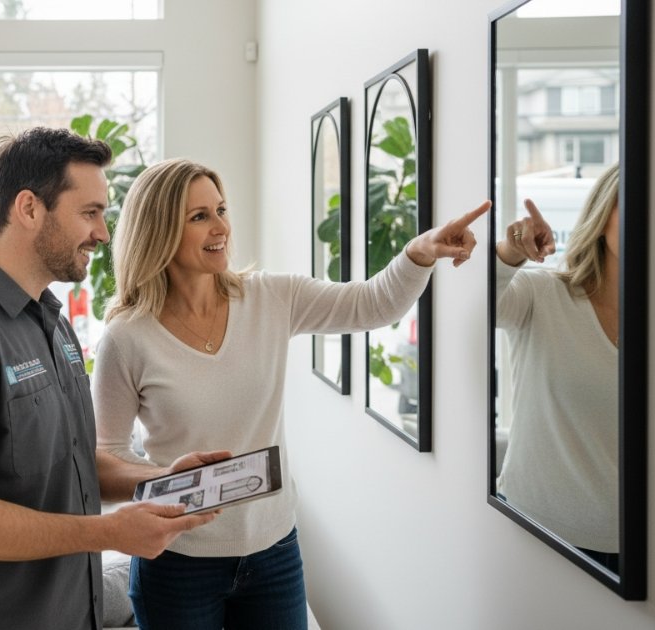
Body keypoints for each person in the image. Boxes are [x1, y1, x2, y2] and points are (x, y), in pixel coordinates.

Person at [93, 158, 490, 630]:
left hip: (274, 553)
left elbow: (371, 304)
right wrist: (167, 478)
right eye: (199, 216)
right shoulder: (127, 336)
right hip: (177, 561)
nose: (221, 226)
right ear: (158, 230)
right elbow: (106, 457)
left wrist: (421, 251)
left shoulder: (270, 299)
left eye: (221, 209)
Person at [0, 128, 228, 630]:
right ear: (29, 209)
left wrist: (161, 480)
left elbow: (69, 458)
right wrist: (107, 533)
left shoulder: (53, 323)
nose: (104, 233)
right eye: (89, 213)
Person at [495, 163, 620, 572]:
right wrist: (511, 252)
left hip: (637, 547)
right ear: (603, 216)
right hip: (537, 535)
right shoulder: (543, 295)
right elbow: (476, 302)